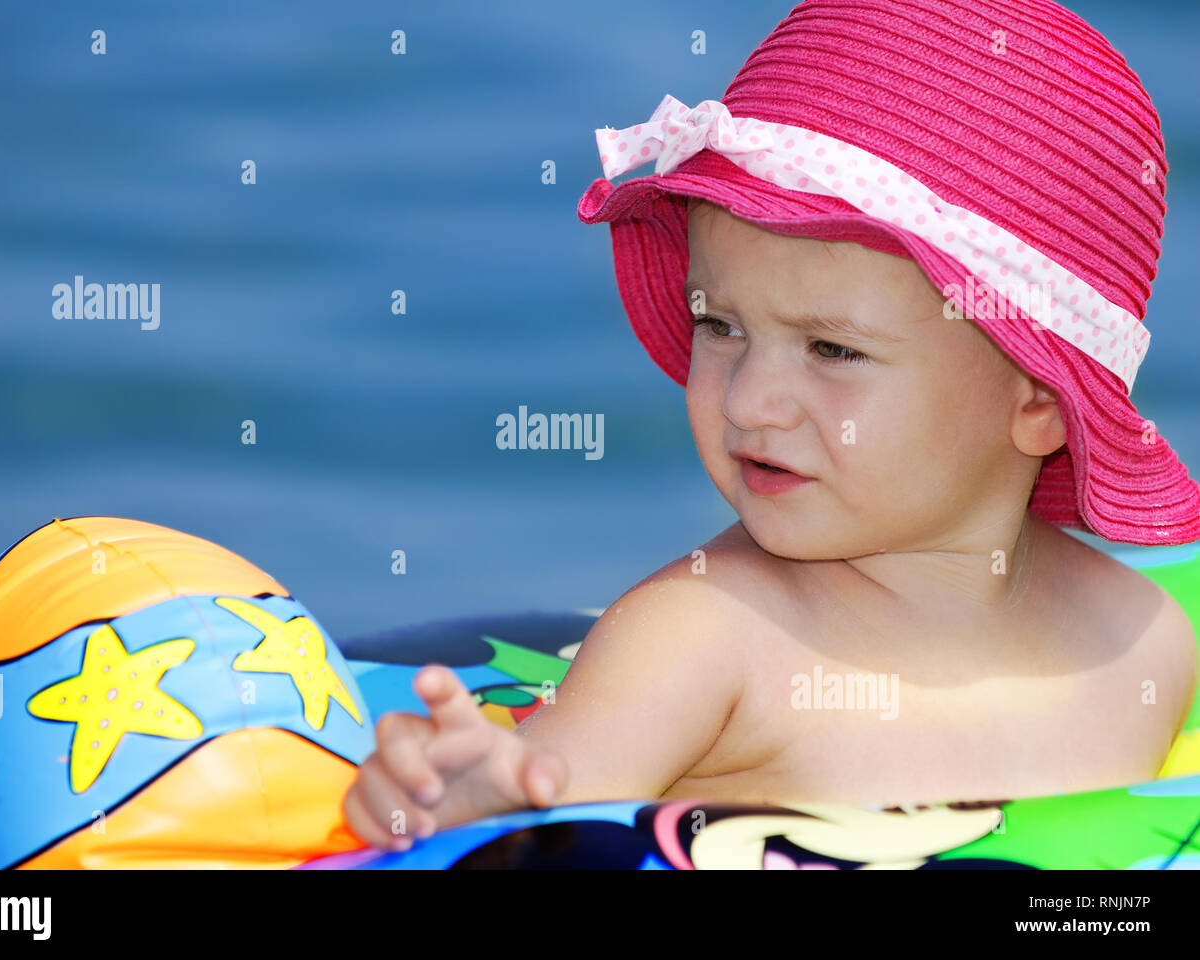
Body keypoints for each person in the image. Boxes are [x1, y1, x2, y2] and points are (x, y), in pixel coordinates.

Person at [342, 0, 1200, 852]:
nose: (750, 400)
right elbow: (531, 806)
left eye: (831, 348)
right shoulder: (703, 637)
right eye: (720, 326)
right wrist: (455, 791)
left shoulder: (1141, 640)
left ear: (1039, 401)